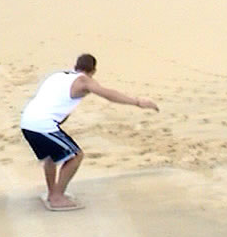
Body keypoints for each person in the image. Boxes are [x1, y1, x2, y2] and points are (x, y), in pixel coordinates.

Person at [20, 53, 159, 211]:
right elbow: (108, 94)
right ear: (93, 71)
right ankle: (57, 197)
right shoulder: (84, 81)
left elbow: (57, 102)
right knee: (75, 156)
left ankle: (52, 193)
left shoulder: (58, 76)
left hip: (27, 122)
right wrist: (137, 102)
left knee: (51, 157)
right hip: (43, 125)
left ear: (75, 66)